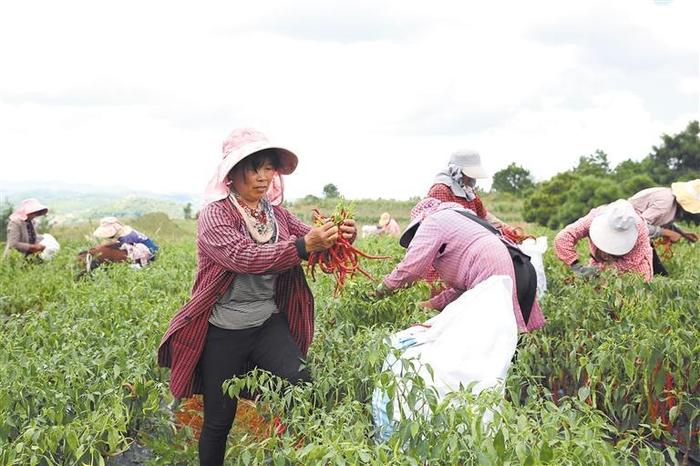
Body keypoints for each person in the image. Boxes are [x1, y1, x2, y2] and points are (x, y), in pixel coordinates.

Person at [157, 127, 356, 466]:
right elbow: (244, 257)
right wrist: (303, 246)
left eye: (268, 168)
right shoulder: (215, 215)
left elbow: (310, 240)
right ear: (232, 175)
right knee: (219, 420)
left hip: (267, 321)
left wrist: (338, 236)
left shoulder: (275, 213)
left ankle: (290, 453)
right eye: (255, 168)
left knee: (301, 385)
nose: (264, 177)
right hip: (224, 328)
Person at [374, 198, 545, 333]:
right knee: (513, 341)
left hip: (497, 272)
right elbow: (461, 289)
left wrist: (382, 289)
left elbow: (410, 269)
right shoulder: (460, 221)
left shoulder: (431, 221)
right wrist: (430, 304)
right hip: (522, 268)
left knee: (490, 342)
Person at [554, 199, 653, 282]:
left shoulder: (640, 229)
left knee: (636, 294)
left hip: (634, 268)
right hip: (599, 261)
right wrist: (577, 267)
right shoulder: (593, 219)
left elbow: (631, 262)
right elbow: (562, 238)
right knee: (597, 295)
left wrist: (600, 270)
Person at [628, 180, 700, 275]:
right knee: (657, 273)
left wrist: (683, 233)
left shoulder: (670, 199)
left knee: (656, 270)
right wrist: (666, 233)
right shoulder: (665, 203)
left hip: (634, 236)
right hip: (627, 232)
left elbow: (664, 221)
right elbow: (638, 225)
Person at [92, 217, 159, 267]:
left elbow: (129, 250)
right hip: (149, 247)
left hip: (149, 251)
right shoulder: (124, 232)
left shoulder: (125, 237)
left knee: (131, 265)